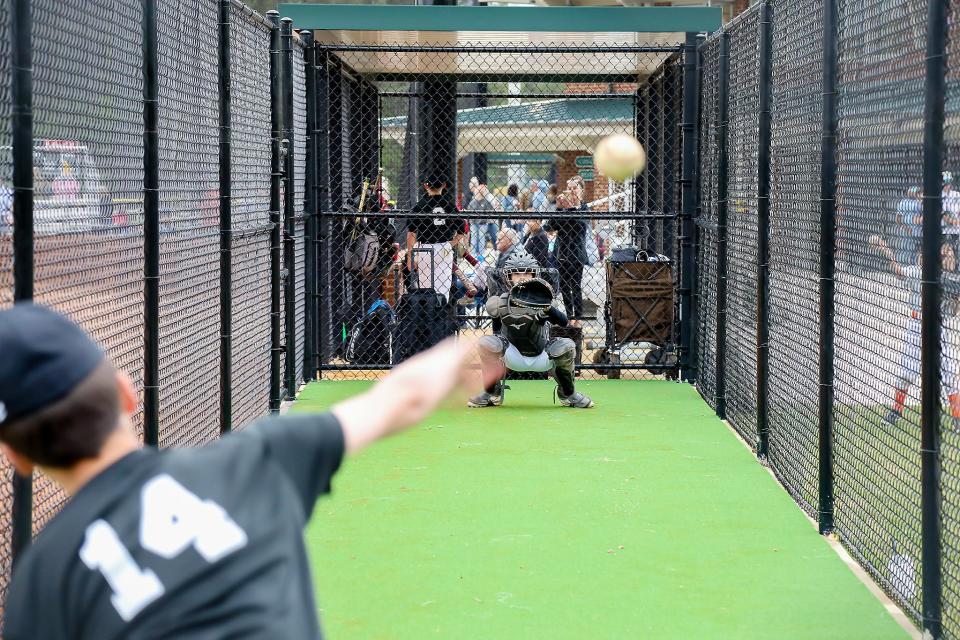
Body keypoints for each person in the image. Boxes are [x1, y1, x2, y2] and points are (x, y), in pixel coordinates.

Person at [0, 303, 495, 639]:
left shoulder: (40, 581)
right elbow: (400, 397)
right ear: (127, 395)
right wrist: (462, 350)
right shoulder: (252, 461)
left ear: (15, 457)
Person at [467, 251, 594, 409]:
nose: (521, 277)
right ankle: (492, 392)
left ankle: (568, 393)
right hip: (511, 355)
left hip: (541, 355)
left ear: (534, 275)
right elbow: (496, 331)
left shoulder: (542, 298)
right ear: (508, 277)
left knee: (566, 346)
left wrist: (547, 309)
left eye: (527, 273)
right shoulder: (501, 300)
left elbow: (563, 322)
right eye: (516, 273)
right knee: (487, 343)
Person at [869, 235, 960, 427]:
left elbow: (953, 310)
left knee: (950, 374)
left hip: (939, 327)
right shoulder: (920, 272)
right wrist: (885, 249)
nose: (946, 255)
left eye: (948, 253)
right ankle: (896, 411)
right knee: (906, 372)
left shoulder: (950, 278)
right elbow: (900, 272)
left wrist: (955, 300)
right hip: (916, 326)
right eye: (943, 252)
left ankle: (957, 418)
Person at [407, 177, 463, 302]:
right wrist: (451, 243)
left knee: (426, 287)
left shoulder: (420, 205)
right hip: (444, 247)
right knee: (443, 287)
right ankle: (440, 309)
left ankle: (429, 311)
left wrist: (410, 256)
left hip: (425, 248)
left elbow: (411, 233)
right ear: (443, 185)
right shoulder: (449, 205)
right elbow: (461, 232)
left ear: (426, 186)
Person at [545, 176, 589, 326]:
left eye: (574, 188)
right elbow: (550, 227)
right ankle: (570, 316)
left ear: (581, 191)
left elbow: (580, 227)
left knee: (575, 285)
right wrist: (558, 208)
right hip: (562, 252)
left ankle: (578, 317)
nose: (571, 191)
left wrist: (570, 208)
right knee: (564, 286)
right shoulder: (562, 208)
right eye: (568, 188)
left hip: (577, 252)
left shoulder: (584, 208)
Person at [467, 178, 498, 256]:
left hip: (484, 223)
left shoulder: (487, 199)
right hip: (474, 223)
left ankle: (481, 255)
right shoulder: (473, 201)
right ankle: (474, 254)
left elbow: (491, 210)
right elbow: (469, 211)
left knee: (482, 238)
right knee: (474, 238)